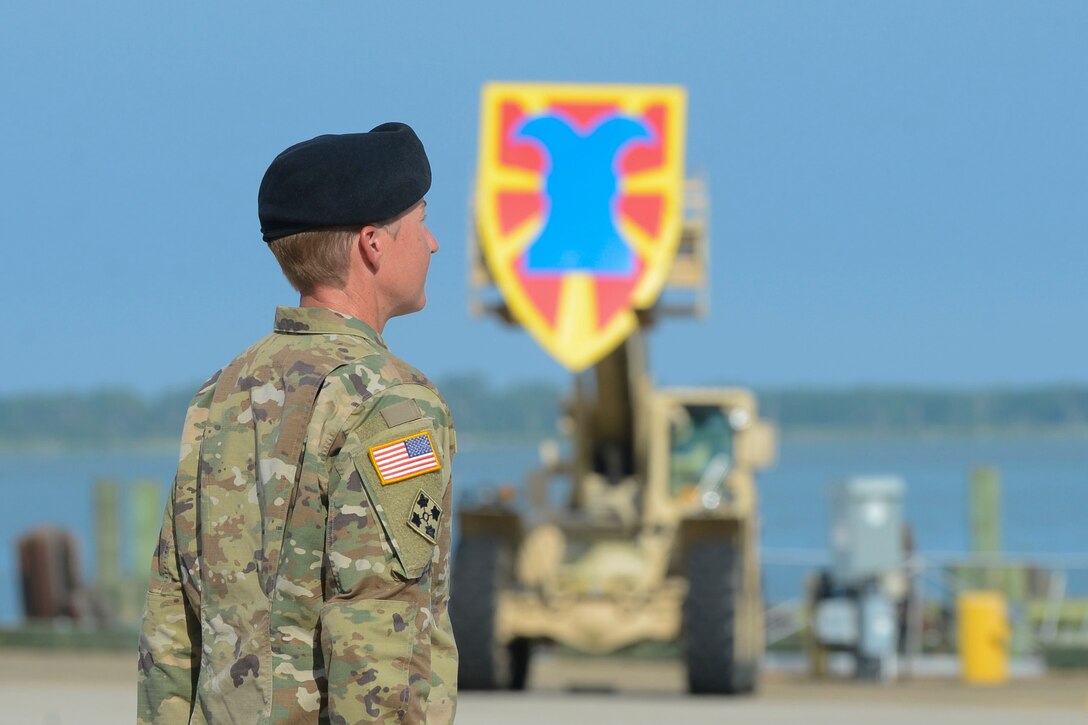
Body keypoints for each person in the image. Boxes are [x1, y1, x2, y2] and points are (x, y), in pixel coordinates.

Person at [137, 123, 457, 724]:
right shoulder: (389, 401)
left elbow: (171, 620)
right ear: (372, 244)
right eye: (420, 220)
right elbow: (376, 634)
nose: (434, 243)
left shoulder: (221, 393)